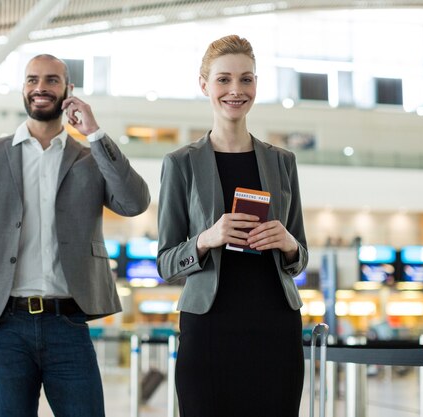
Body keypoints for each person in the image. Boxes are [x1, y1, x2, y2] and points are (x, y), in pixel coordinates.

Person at [0, 54, 150, 417]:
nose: (40, 88)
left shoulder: (90, 158)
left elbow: (134, 202)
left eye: (52, 80)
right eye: (32, 79)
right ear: (23, 89)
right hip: (4, 324)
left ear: (68, 90)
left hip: (66, 321)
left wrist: (95, 134)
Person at [157, 35, 308, 416]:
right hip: (209, 325)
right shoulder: (181, 164)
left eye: (246, 79)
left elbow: (299, 257)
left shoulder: (282, 161)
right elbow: (165, 263)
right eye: (224, 79)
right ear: (204, 84)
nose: (236, 90)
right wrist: (206, 239)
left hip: (276, 323)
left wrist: (288, 243)